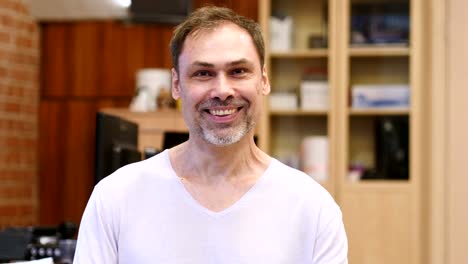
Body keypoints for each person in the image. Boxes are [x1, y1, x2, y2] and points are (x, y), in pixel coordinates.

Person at [73, 6, 348, 264]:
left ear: (263, 80)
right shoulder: (115, 198)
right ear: (177, 85)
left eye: (238, 71)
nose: (222, 90)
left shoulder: (313, 208)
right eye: (203, 73)